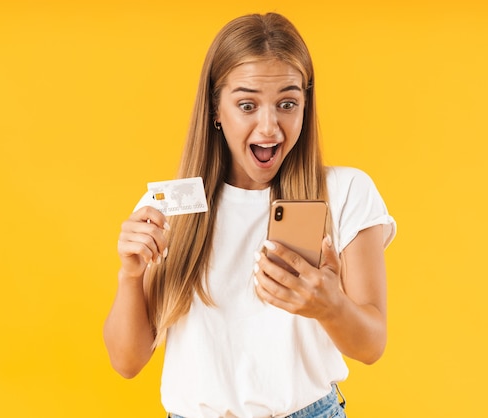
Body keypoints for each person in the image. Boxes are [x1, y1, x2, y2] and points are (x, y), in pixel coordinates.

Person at [104, 12, 396, 418]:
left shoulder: (346, 192)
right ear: (216, 110)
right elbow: (127, 362)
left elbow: (371, 346)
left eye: (288, 103)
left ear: (306, 106)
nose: (269, 127)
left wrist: (330, 306)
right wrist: (130, 276)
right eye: (247, 105)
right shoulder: (171, 207)